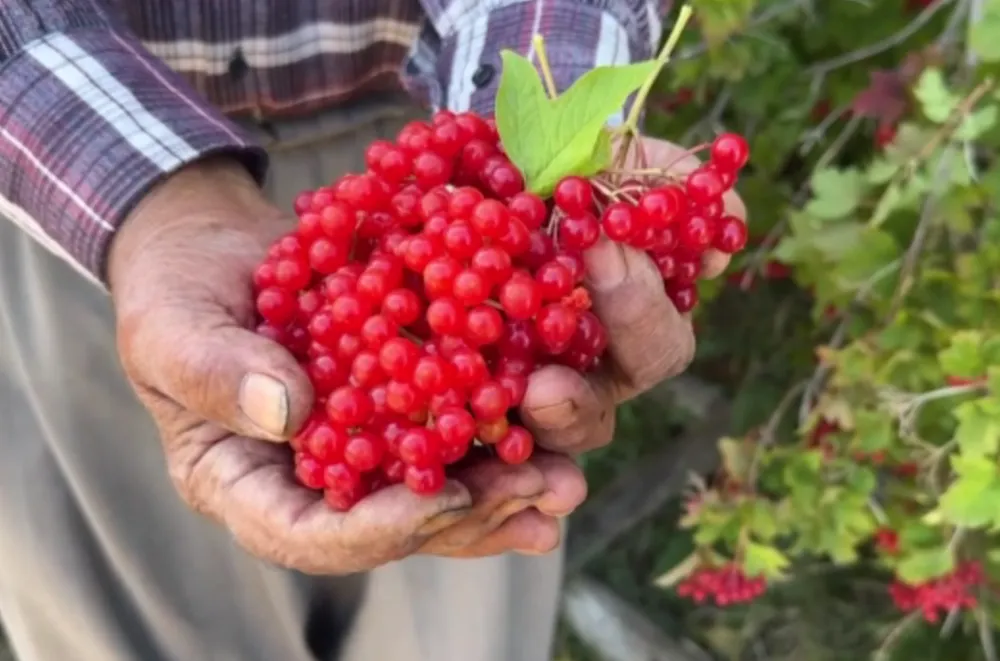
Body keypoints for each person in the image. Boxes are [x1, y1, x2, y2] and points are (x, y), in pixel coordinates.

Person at [0, 1, 745, 660]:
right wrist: (151, 199)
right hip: (79, 200)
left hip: (436, 162)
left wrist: (546, 139)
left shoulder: (490, 248)